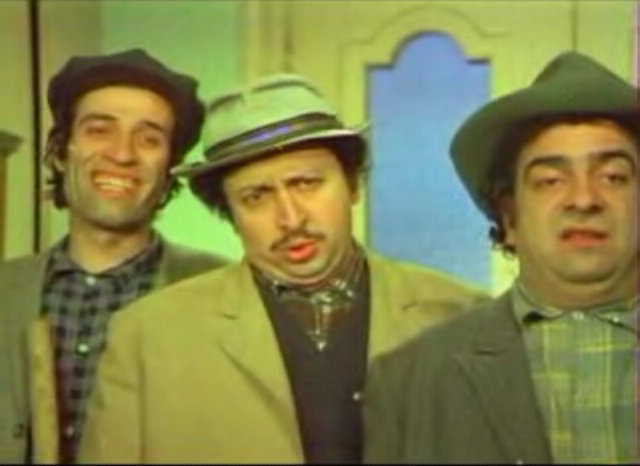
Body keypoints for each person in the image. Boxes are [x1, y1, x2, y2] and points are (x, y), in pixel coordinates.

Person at [77, 73, 485, 463]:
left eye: (307, 183)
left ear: (353, 185)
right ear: (230, 215)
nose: (290, 218)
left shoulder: (462, 315)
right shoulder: (147, 338)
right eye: (256, 197)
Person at [363, 51, 639, 464]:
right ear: (509, 216)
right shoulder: (408, 381)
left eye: (613, 177)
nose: (584, 199)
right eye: (551, 180)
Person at [0, 48, 227, 464]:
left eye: (149, 139)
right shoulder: (5, 291)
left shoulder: (225, 296)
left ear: (169, 170)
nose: (122, 154)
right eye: (99, 130)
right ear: (61, 151)